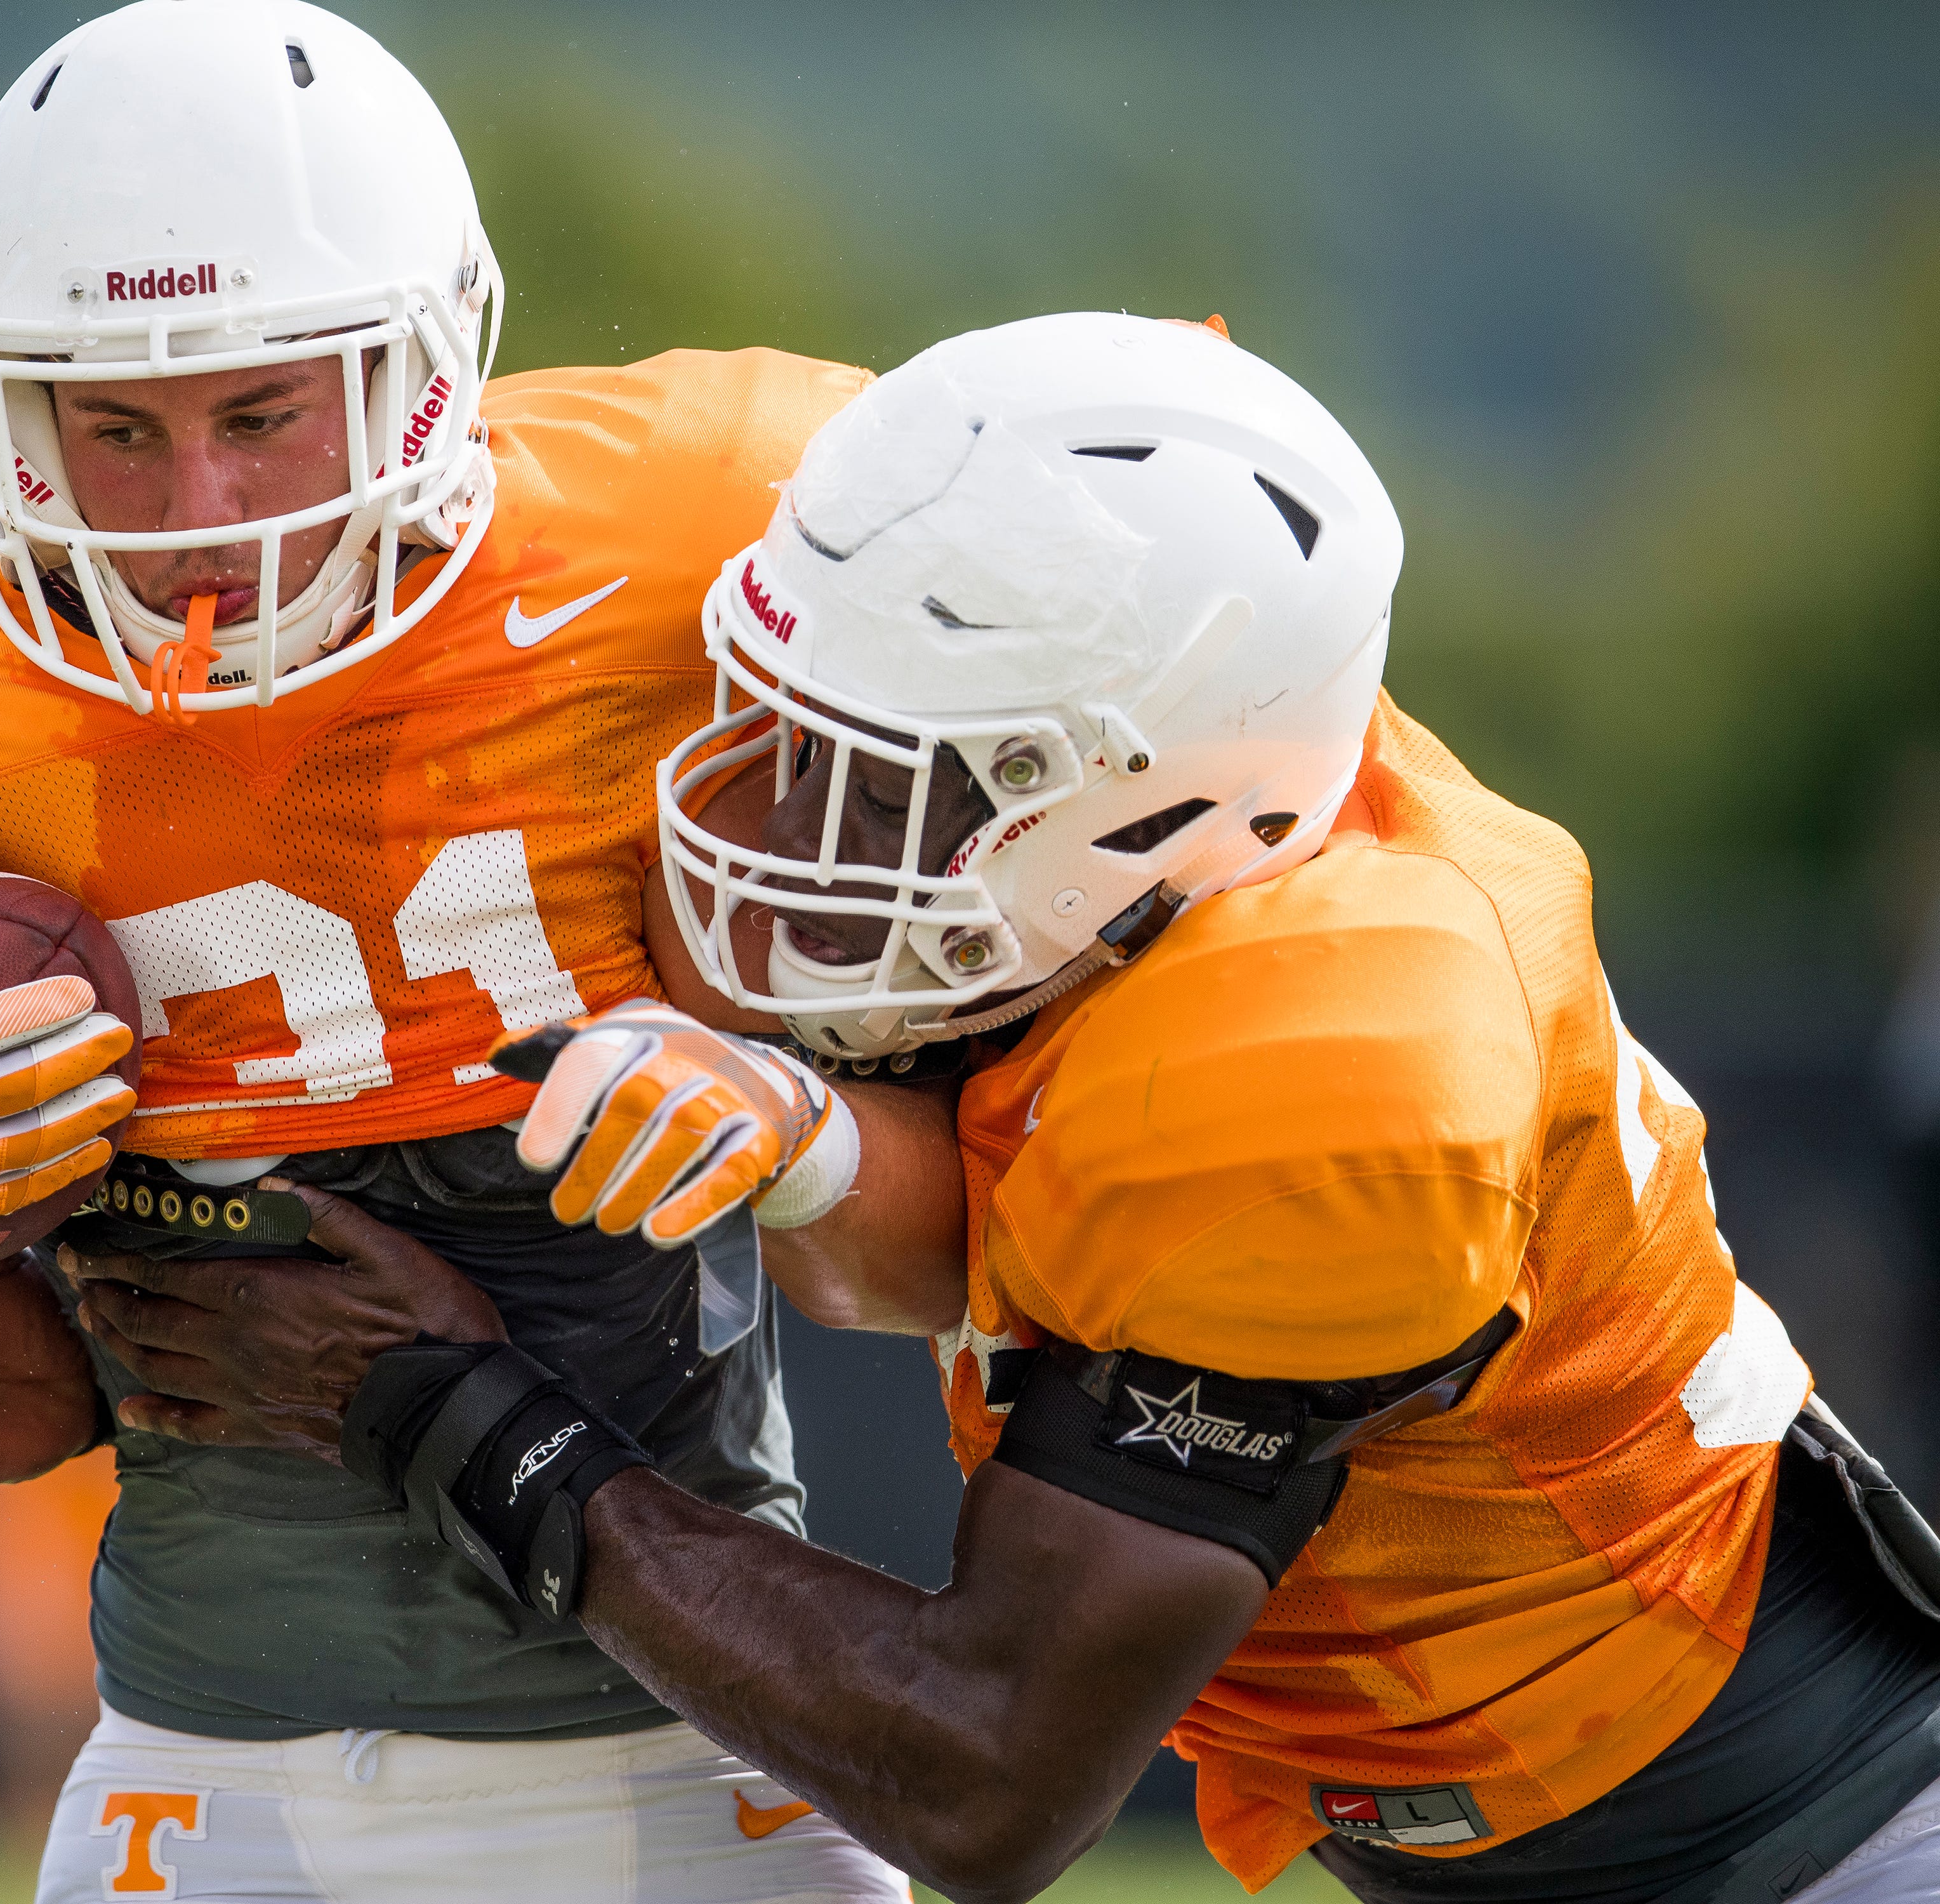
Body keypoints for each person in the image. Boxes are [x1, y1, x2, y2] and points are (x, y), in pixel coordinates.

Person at [98, 312, 1940, 1904]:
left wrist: (449, 1411)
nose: (770, 823)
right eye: (791, 730)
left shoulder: (1328, 1072)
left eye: (880, 783)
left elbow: (983, 1780)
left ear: (1140, 815)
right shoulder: (1206, 811)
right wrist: (811, 1142)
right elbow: (1000, 1239)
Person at [0, 3, 923, 1896]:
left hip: (693, 1747)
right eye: (115, 428)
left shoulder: (690, 550)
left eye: (261, 410)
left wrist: (794, 1118)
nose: (200, 515)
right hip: (195, 1776)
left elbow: (932, 1250)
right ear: (0, 405)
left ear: (423, 367)